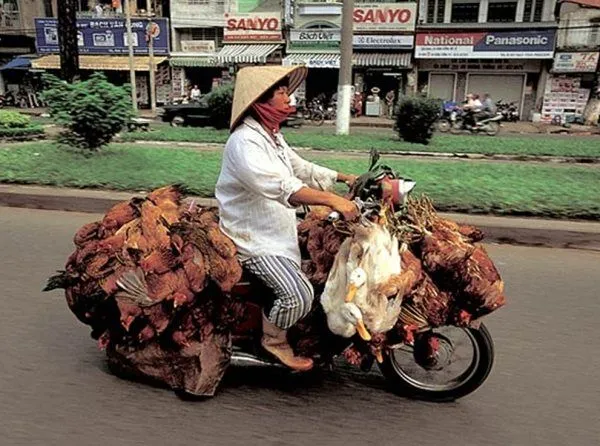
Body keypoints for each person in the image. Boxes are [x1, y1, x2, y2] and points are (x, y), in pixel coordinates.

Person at [215, 66, 359, 371]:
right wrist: (332, 200)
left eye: (285, 90)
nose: (288, 96)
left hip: (277, 230)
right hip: (253, 239)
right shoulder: (244, 143)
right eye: (280, 92)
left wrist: (346, 178)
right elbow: (282, 186)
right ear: (259, 102)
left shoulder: (272, 137)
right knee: (299, 295)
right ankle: (272, 341)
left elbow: (301, 168)